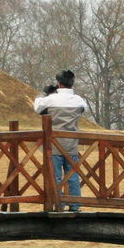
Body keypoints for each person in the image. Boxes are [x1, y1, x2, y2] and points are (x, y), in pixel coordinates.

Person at [33, 69, 89, 212]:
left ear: (59, 83)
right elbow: (84, 109)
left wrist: (45, 93)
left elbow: (38, 107)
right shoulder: (79, 101)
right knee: (73, 175)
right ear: (72, 83)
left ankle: (59, 204)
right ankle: (75, 204)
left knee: (55, 176)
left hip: (54, 144)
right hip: (71, 144)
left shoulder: (50, 100)